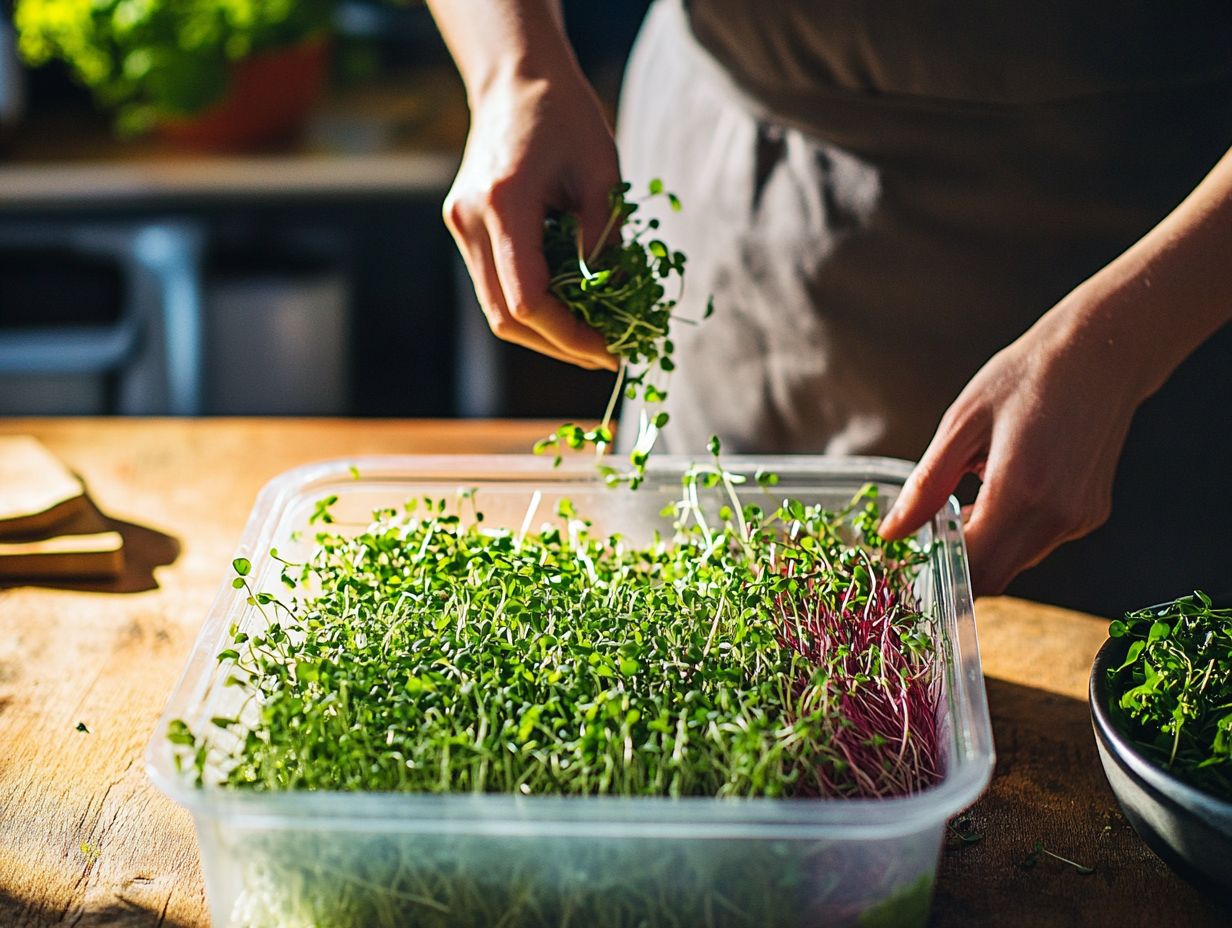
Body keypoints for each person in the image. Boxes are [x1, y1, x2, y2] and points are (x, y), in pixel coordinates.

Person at [425, 0, 1232, 616]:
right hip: (735, 198)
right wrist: (512, 66)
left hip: (1161, 252)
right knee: (695, 656)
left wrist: (1126, 344)